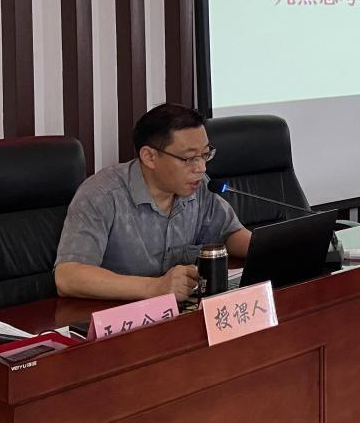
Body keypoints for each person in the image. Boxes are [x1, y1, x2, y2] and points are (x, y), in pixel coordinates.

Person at [54, 104, 252, 301]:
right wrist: (155, 287)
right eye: (189, 158)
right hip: (114, 312)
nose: (201, 167)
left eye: (205, 154)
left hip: (179, 310)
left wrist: (267, 249)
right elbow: (68, 276)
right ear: (149, 157)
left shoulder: (198, 186)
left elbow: (230, 234)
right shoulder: (102, 194)